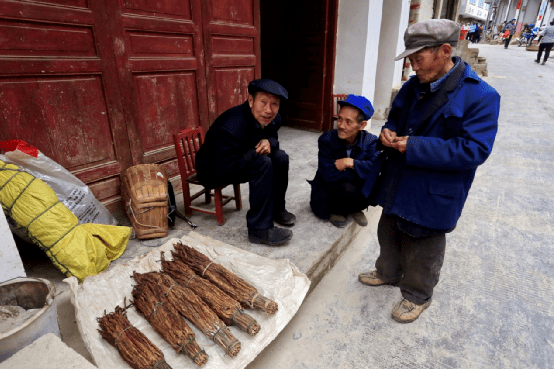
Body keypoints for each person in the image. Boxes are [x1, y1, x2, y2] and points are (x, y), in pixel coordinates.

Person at [358, 19, 500, 323]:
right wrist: (388, 131)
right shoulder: (413, 87)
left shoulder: (482, 96)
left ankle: (417, 294)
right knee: (389, 229)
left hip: (435, 189)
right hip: (400, 178)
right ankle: (388, 272)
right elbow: (395, 118)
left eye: (417, 58)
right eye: (409, 59)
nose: (412, 66)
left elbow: (475, 150)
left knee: (423, 242)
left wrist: (416, 146)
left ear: (445, 51)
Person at [195, 79, 296, 246]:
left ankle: (277, 209)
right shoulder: (231, 127)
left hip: (241, 157)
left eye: (274, 104)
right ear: (251, 101)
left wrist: (269, 142)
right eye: (263, 102)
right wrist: (254, 153)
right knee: (263, 163)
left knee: (280, 157)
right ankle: (259, 229)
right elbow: (224, 168)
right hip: (214, 170)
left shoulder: (274, 119)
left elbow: (273, 137)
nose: (268, 110)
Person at [309, 95, 381, 228]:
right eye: (340, 119)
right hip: (330, 192)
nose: (341, 126)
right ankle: (338, 210)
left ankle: (353, 207)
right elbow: (328, 175)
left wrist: (351, 163)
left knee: (379, 184)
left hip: (351, 188)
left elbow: (377, 168)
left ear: (362, 125)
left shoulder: (371, 141)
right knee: (349, 187)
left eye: (348, 122)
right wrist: (362, 172)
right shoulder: (327, 139)